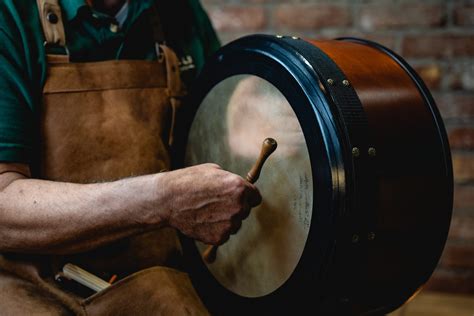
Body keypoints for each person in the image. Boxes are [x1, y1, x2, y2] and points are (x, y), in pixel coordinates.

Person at [0, 0, 261, 314]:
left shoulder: (180, 12)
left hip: (162, 280)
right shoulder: (11, 14)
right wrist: (160, 200)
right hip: (36, 287)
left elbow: (214, 137)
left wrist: (240, 134)